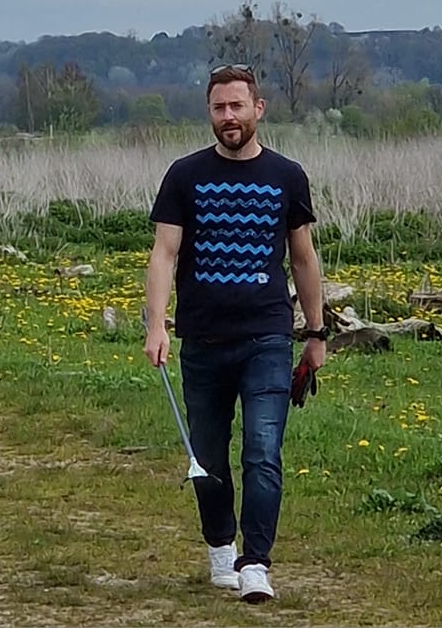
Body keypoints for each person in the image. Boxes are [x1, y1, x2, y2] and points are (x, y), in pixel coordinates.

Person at [144, 64, 327, 604]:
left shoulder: (287, 177)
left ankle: (257, 563)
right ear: (210, 113)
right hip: (202, 342)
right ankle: (221, 548)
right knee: (207, 454)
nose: (228, 117)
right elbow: (164, 253)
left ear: (258, 109)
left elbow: (303, 258)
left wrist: (316, 333)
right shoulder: (184, 176)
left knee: (262, 450)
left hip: (268, 339)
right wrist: (156, 324)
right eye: (219, 108)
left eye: (237, 107)